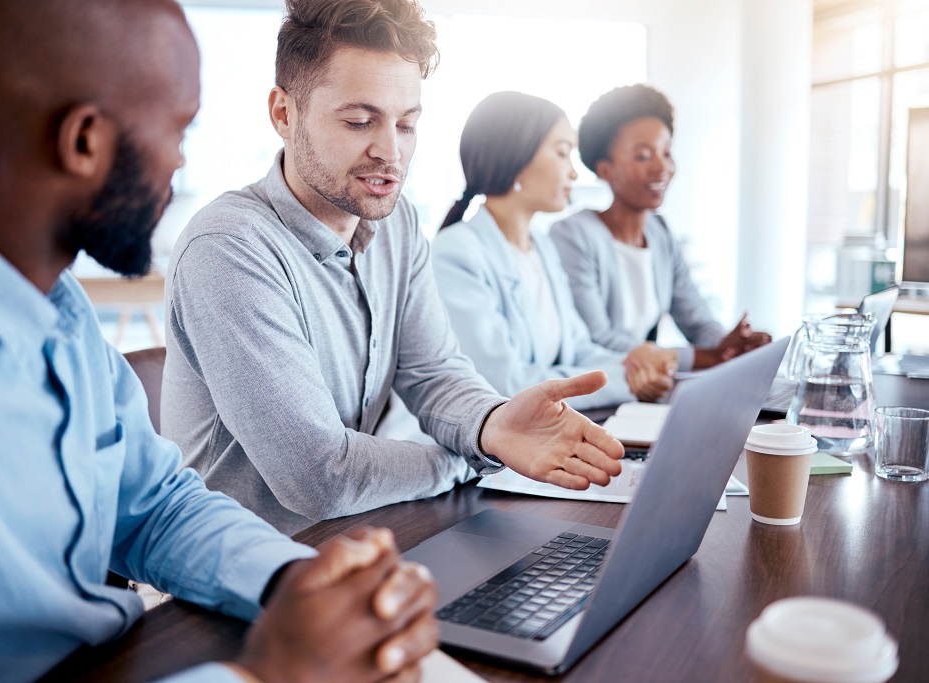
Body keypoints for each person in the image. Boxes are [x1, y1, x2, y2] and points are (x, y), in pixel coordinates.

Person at [0, 1, 439, 681]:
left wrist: (300, 583)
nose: (181, 162)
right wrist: (272, 673)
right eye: (178, 129)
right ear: (84, 142)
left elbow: (153, 507)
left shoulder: (55, 304)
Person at [162, 0, 625, 536]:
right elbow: (319, 476)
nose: (391, 152)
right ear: (283, 114)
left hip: (351, 540)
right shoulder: (230, 249)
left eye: (407, 125)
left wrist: (494, 425)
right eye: (360, 121)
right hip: (235, 576)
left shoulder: (396, 222)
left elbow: (432, 372)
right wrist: (471, 454)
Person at [433, 91, 677, 410]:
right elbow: (505, 384)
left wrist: (635, 366)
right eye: (563, 153)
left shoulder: (542, 247)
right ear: (516, 157)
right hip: (461, 454)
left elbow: (578, 349)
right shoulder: (456, 253)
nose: (574, 173)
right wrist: (626, 381)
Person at [550, 84, 771, 371]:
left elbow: (697, 321)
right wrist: (701, 358)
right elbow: (597, 339)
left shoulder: (659, 233)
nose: (661, 167)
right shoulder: (573, 235)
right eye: (643, 156)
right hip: (601, 389)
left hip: (649, 386)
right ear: (605, 170)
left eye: (666, 152)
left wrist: (729, 346)